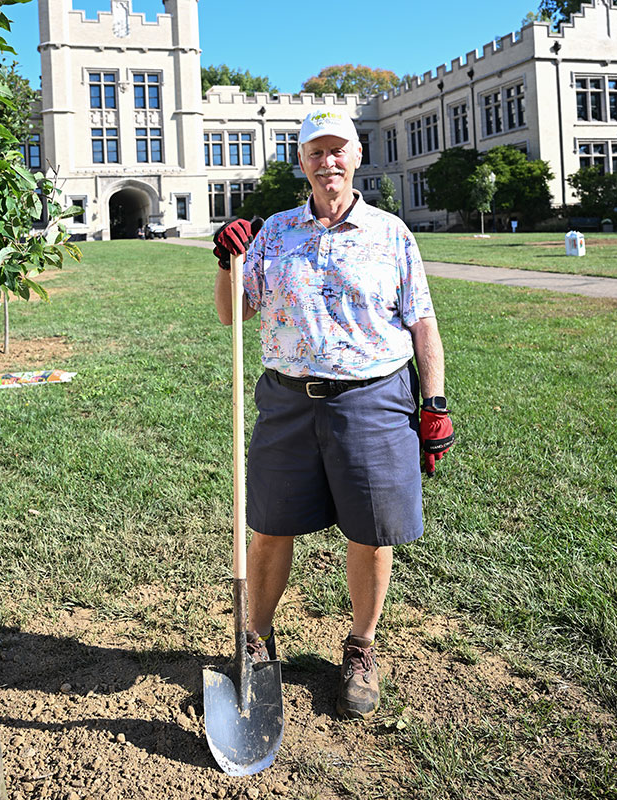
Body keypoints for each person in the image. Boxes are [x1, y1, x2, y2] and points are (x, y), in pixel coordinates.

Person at [212, 109, 454, 720]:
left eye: (338, 151)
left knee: (371, 533)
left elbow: (422, 321)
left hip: (373, 400)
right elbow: (231, 315)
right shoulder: (274, 232)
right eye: (316, 153)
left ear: (356, 157)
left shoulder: (392, 234)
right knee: (268, 527)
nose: (329, 163)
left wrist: (434, 402)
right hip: (288, 402)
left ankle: (361, 648)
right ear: (303, 163)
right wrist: (225, 263)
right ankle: (257, 642)